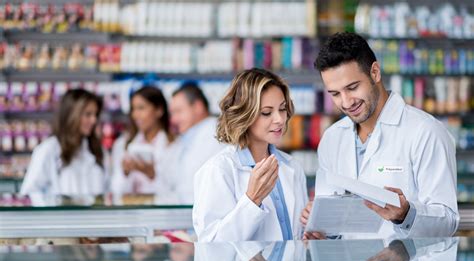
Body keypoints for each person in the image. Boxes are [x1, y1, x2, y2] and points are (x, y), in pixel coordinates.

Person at [300, 32, 459, 239]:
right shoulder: (332, 139)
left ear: (375, 72)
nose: (346, 102)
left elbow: (448, 221)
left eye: (352, 87)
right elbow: (335, 227)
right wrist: (323, 233)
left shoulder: (426, 132)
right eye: (335, 94)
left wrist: (406, 214)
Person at [193, 68, 308, 242]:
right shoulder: (218, 170)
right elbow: (211, 246)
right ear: (244, 115)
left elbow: (297, 236)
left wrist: (311, 233)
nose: (279, 119)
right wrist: (252, 200)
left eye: (282, 109)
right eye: (266, 113)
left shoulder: (292, 167)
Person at [20, 88, 106, 201]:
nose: (93, 120)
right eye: (88, 114)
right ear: (71, 115)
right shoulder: (49, 149)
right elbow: (29, 193)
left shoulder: (96, 149)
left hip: (97, 218)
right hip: (61, 218)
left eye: (95, 115)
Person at [155, 83, 223, 204]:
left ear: (198, 107)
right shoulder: (189, 136)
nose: (173, 120)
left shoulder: (215, 135)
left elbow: (190, 187)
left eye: (178, 111)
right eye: (172, 113)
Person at [111, 86, 173, 195]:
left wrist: (152, 175)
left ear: (159, 110)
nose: (135, 115)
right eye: (133, 109)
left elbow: (175, 193)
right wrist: (125, 172)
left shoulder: (173, 145)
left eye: (141, 108)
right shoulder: (122, 144)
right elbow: (115, 191)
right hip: (129, 210)